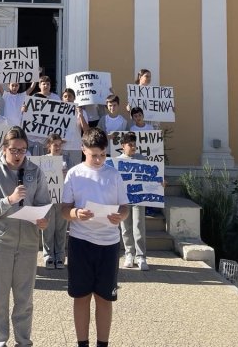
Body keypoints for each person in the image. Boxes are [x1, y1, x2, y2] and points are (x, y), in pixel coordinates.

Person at [0, 126, 51, 347]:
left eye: (22, 150)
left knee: (24, 300)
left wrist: (43, 220)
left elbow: (43, 203)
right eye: (14, 150)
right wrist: (9, 200)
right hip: (0, 243)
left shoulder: (35, 172)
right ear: (4, 148)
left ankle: (23, 342)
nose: (18, 155)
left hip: (28, 243)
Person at [62, 127, 129, 347]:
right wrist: (76, 213)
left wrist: (120, 216)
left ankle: (103, 344)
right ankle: (82, 343)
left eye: (102, 154)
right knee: (81, 297)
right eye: (94, 155)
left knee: (104, 298)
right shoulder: (74, 174)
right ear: (83, 149)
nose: (99, 159)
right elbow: (64, 210)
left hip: (108, 244)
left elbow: (124, 206)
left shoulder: (114, 175)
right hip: (80, 242)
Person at [117, 132, 149, 270]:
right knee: (125, 227)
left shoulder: (142, 159)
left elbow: (151, 177)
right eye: (130, 145)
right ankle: (129, 254)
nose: (133, 147)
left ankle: (141, 256)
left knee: (138, 225)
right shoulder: (117, 162)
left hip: (138, 198)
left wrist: (160, 182)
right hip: (123, 199)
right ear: (123, 146)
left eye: (135, 144)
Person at [42, 133, 68, 269]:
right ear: (49, 146)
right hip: (47, 199)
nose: (57, 147)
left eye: (59, 145)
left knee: (61, 229)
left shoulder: (65, 161)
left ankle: (60, 256)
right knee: (48, 229)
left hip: (61, 199)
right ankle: (48, 256)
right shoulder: (42, 161)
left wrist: (65, 175)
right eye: (55, 145)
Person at [62, 87, 89, 167]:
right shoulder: (57, 112)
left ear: (74, 98)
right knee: (61, 172)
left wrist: (80, 115)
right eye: (65, 96)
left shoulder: (82, 112)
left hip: (75, 148)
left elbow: (86, 130)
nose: (67, 98)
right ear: (62, 98)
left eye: (70, 96)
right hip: (61, 148)